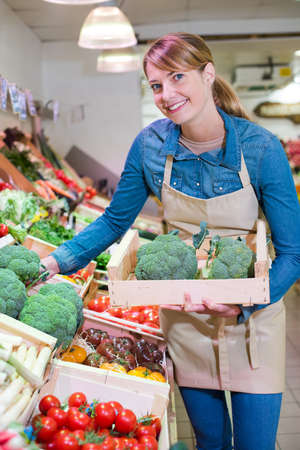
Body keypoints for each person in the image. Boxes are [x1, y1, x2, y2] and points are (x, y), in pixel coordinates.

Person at [42, 33, 300, 449]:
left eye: (177, 77)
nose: (167, 94)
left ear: (208, 74)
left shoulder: (260, 148)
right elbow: (113, 222)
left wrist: (250, 301)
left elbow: (294, 253)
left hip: (254, 322)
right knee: (210, 441)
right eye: (157, 85)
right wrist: (55, 262)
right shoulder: (150, 145)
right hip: (186, 319)